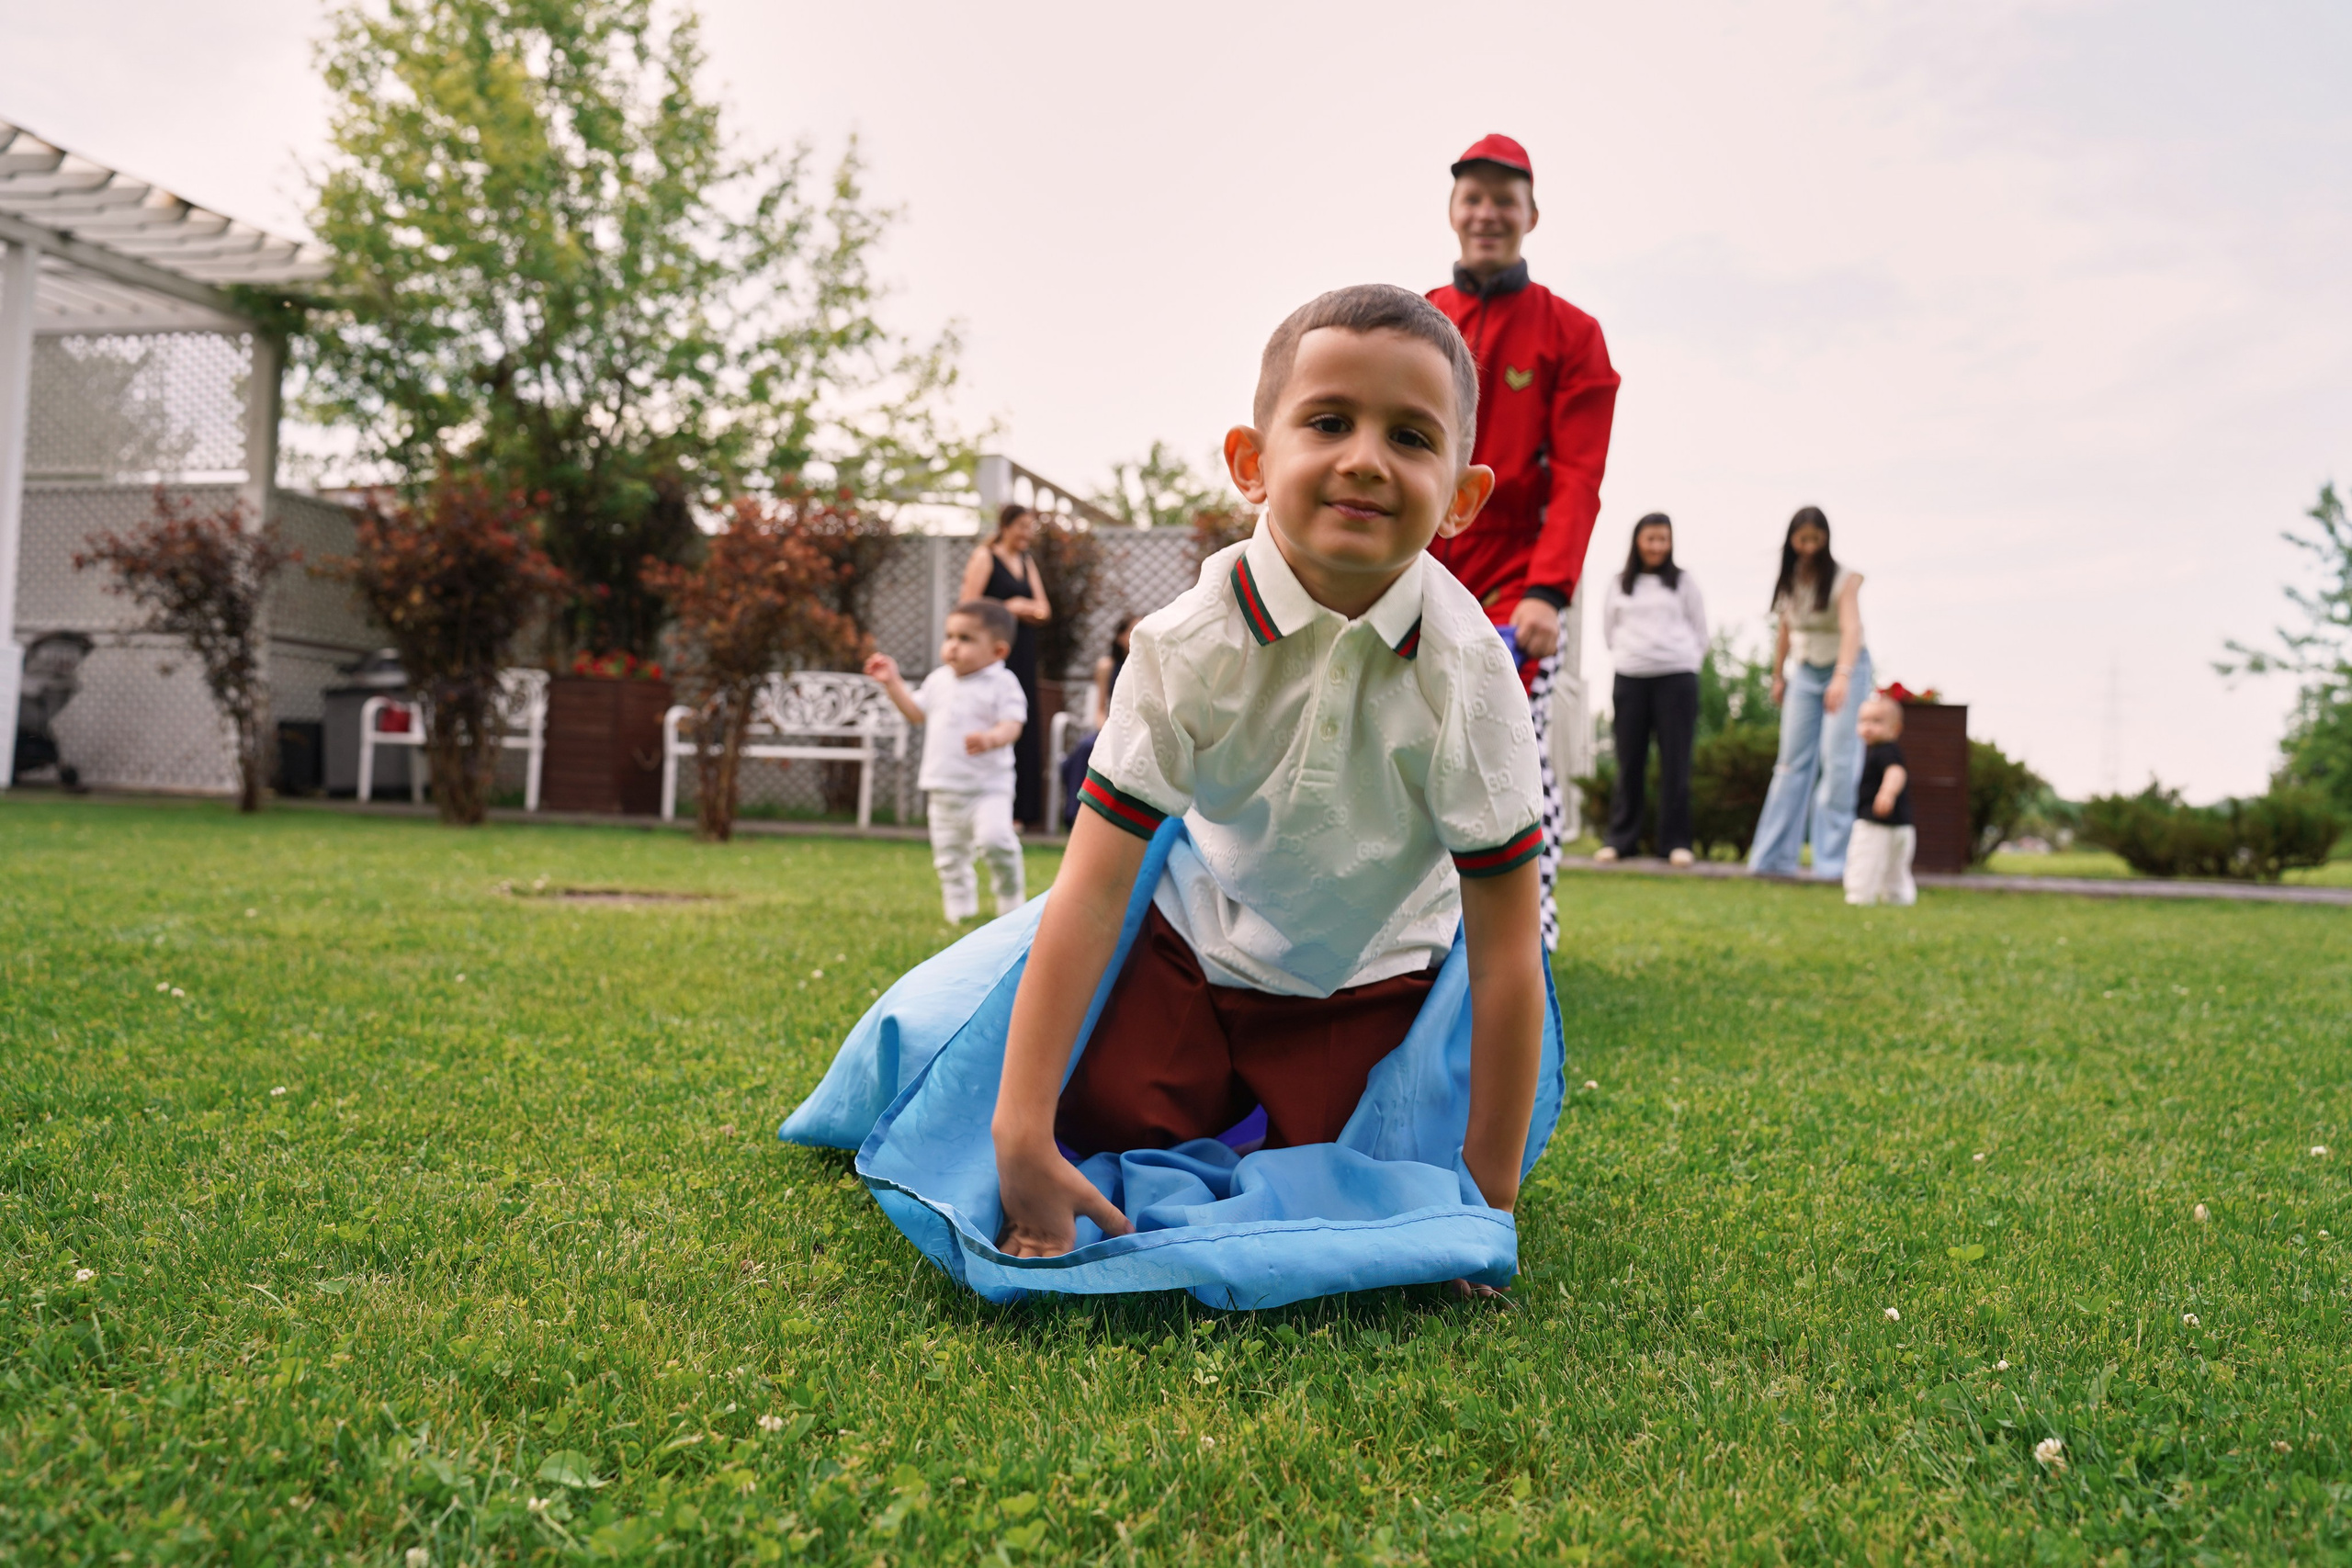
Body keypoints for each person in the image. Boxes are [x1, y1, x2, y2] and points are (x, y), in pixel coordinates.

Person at [989, 283, 1549, 1260]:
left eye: (1412, 438)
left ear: (1461, 499)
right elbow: (1086, 893)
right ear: (1253, 462)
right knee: (1109, 1128)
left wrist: (1485, 1207)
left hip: (1370, 979)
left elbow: (1506, 953)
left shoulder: (1469, 671)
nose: (1365, 460)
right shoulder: (1181, 644)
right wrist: (1019, 1133)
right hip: (1196, 954)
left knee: (1361, 1192)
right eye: (1328, 421)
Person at [1427, 133, 1620, 949]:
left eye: (1505, 200)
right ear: (1453, 210)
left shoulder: (1572, 334)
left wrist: (1549, 592)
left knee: (1512, 747)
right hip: (1422, 564)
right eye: (1474, 197)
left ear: (1530, 215)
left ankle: (1525, 941)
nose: (1488, 213)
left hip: (1517, 579)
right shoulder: (1416, 316)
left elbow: (1578, 474)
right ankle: (1420, 933)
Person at [865, 600, 1030, 923]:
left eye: (965, 639)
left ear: (998, 651)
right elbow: (915, 713)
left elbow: (1013, 724)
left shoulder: (1002, 682)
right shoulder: (939, 679)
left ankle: (1010, 897)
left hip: (988, 788)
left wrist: (991, 738)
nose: (953, 646)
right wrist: (892, 683)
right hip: (943, 786)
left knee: (995, 840)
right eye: (949, 636)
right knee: (949, 856)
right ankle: (960, 911)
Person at [1747, 505, 1871, 879]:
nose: (1809, 547)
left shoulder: (1843, 579)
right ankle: (1772, 859)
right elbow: (1785, 628)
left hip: (1845, 668)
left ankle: (1832, 864)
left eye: (1816, 540)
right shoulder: (1790, 578)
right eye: (1803, 539)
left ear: (1827, 540)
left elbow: (1852, 630)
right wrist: (1778, 675)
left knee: (1838, 761)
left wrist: (1842, 677)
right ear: (1791, 540)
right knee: (1790, 765)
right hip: (1804, 671)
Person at [1595, 513, 1707, 867]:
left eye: (1663, 539)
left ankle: (1676, 843)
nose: (1657, 546)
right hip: (1631, 677)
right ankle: (1620, 840)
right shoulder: (1619, 583)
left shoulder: (1684, 582)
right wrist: (1634, 656)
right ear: (1638, 542)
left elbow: (1700, 630)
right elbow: (1608, 630)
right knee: (1629, 761)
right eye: (1651, 539)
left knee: (1676, 762)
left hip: (1677, 677)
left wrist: (1683, 660)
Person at [960, 504, 1053, 828]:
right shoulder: (985, 557)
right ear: (1006, 525)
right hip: (992, 653)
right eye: (1022, 527)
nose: (1027, 534)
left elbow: (1044, 609)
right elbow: (968, 607)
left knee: (1021, 722)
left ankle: (1021, 812)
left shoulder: (1027, 562)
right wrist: (1006, 608)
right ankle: (980, 808)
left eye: (1031, 528)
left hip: (1023, 652)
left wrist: (1027, 609)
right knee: (990, 719)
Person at [1057, 613, 1136, 828]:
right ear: (1120, 637)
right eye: (1131, 630)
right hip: (1112, 726)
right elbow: (1099, 708)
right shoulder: (1107, 666)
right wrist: (1106, 728)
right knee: (1085, 747)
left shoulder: (1148, 664)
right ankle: (1074, 816)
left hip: (1137, 729)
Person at [1844, 694, 1917, 906]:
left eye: (1877, 721)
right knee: (1896, 867)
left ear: (1895, 728)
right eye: (1863, 721)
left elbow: (1896, 772)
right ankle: (1899, 899)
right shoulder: (1885, 750)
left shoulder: (1884, 751)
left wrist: (1887, 792)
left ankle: (1859, 897)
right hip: (1902, 825)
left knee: (1864, 860)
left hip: (1874, 823)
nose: (1868, 727)